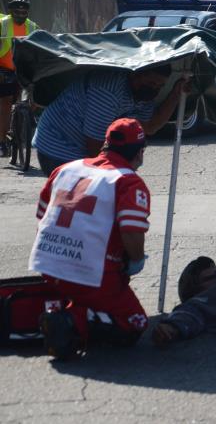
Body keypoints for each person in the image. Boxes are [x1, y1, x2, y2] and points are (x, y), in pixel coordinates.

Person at [29, 118, 152, 359]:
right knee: (135, 323)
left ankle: (70, 308)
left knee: (91, 289)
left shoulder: (65, 169)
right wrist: (136, 260)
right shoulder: (128, 182)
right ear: (139, 153)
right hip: (91, 275)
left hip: (47, 265)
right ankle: (70, 320)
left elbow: (43, 216)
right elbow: (131, 232)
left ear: (106, 145)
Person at [33, 64, 187, 176]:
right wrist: (119, 175)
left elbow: (150, 126)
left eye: (160, 86)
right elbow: (95, 147)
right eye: (151, 83)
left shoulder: (143, 95)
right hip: (58, 147)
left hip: (83, 149)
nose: (155, 89)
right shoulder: (108, 92)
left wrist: (175, 94)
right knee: (83, 205)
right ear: (135, 74)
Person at [0, 0, 38, 157]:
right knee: (6, 102)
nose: (21, 15)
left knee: (34, 97)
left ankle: (25, 122)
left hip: (23, 69)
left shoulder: (33, 27)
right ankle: (1, 141)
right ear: (11, 12)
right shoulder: (3, 25)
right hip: (4, 69)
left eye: (24, 12)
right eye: (17, 12)